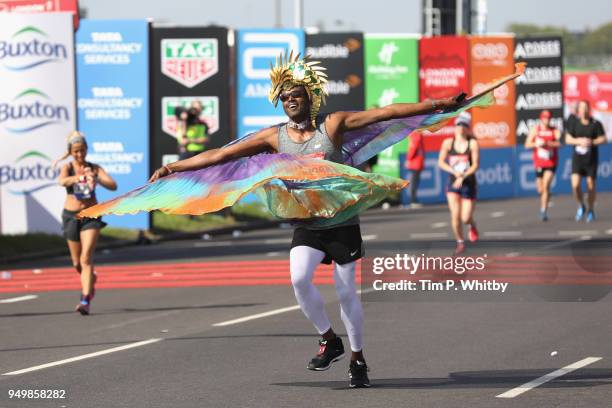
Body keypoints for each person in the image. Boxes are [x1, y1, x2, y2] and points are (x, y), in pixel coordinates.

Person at [149, 52, 461, 388]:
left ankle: (357, 358)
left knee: (346, 294)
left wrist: (437, 103)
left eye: (295, 95)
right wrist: (174, 167)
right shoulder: (275, 136)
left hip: (341, 221)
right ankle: (330, 339)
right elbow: (222, 154)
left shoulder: (333, 125)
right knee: (299, 278)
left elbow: (385, 113)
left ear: (309, 97)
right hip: (307, 223)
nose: (289, 102)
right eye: (284, 98)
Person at [57, 131, 117, 315]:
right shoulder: (68, 167)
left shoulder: (94, 167)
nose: (80, 155)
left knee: (86, 258)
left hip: (90, 215)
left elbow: (113, 185)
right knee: (76, 262)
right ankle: (91, 278)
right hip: (71, 216)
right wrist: (78, 178)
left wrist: (95, 178)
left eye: (82, 151)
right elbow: (62, 181)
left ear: (87, 150)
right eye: (76, 151)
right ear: (70, 151)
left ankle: (85, 300)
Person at [438, 112, 480, 255]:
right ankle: (460, 241)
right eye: (458, 124)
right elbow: (441, 162)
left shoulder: (472, 143)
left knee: (465, 217)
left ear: (467, 127)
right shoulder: (448, 143)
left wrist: (463, 176)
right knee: (455, 215)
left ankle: (472, 225)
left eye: (463, 125)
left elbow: (475, 165)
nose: (460, 127)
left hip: (468, 183)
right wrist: (454, 172)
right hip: (452, 184)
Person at [565, 100, 606, 222]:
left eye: (586, 107)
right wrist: (579, 141)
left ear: (589, 109)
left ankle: (591, 209)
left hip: (591, 159)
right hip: (578, 158)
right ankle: (581, 204)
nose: (583, 110)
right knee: (575, 185)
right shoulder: (574, 123)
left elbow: (603, 138)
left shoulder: (595, 123)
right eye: (581, 108)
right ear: (578, 110)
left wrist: (591, 142)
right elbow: (567, 139)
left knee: (590, 185)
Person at [525, 110, 561, 221]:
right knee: (540, 189)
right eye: (545, 118)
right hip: (539, 162)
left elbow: (560, 143)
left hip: (551, 162)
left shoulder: (554, 130)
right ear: (541, 118)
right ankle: (547, 195)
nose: (547, 120)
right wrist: (537, 143)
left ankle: (543, 211)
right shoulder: (536, 130)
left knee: (546, 185)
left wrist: (548, 143)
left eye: (548, 118)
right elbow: (527, 144)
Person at [405, 130, 425, 208]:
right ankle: (413, 200)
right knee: (414, 181)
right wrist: (408, 159)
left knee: (414, 181)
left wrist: (408, 159)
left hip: (416, 162)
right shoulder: (416, 134)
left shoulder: (415, 134)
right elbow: (413, 147)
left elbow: (414, 147)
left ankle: (413, 200)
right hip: (416, 162)